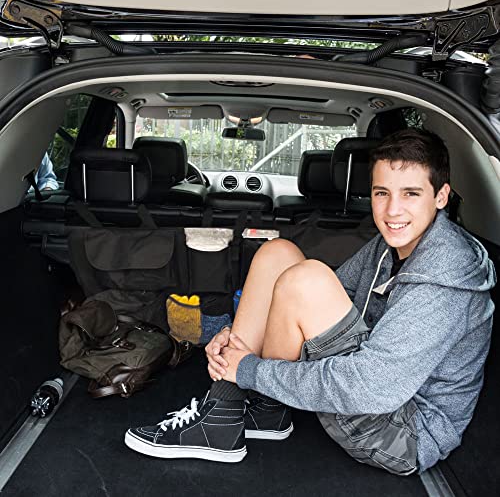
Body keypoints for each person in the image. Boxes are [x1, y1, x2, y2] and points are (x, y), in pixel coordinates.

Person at [124, 129, 496, 475]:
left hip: (402, 431)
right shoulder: (392, 244)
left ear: (441, 196)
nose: (392, 210)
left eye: (410, 194)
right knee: (278, 253)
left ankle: (234, 412)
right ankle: (251, 412)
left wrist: (249, 370)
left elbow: (371, 388)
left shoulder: (446, 277)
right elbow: (333, 294)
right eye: (382, 193)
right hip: (373, 385)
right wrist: (234, 334)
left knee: (306, 279)